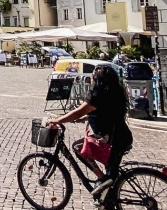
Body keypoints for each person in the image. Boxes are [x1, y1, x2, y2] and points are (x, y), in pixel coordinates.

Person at [47, 65, 133, 199]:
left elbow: (79, 111)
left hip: (113, 140)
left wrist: (58, 120)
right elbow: (105, 112)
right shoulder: (113, 92)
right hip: (120, 137)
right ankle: (106, 193)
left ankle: (103, 182)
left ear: (98, 79)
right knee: (111, 172)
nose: (91, 78)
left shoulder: (98, 94)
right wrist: (87, 117)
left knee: (78, 147)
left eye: (93, 76)